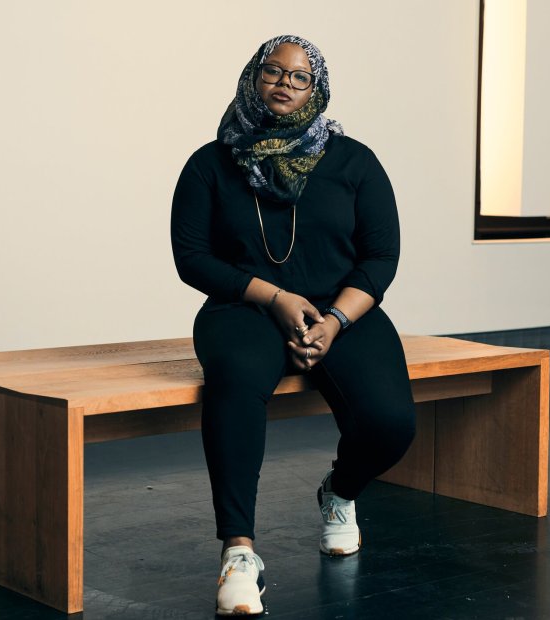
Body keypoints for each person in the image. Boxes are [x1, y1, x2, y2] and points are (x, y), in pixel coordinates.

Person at [171, 34, 415, 616]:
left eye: (300, 76)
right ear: (254, 78)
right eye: (273, 71)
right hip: (245, 307)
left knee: (390, 422)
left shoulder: (355, 160)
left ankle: (340, 493)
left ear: (317, 88)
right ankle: (238, 551)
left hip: (343, 310)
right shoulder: (211, 162)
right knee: (234, 378)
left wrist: (332, 320)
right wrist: (276, 297)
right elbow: (193, 257)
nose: (285, 83)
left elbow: (381, 256)